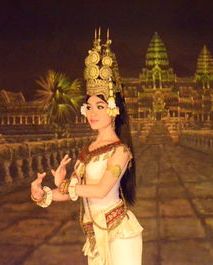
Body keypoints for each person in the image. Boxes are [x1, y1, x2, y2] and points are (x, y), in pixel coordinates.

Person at [30, 29, 143, 265]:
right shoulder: (88, 150)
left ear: (114, 109)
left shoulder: (120, 151)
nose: (92, 112)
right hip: (94, 234)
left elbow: (100, 190)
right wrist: (45, 194)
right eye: (89, 106)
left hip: (119, 234)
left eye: (100, 106)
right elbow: (74, 190)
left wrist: (66, 184)